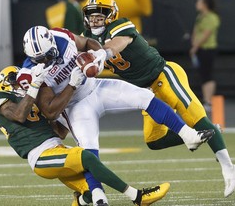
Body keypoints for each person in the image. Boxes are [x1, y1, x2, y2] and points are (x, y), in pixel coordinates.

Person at [20, 25, 214, 205]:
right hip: (75, 106)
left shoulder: (61, 37)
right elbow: (51, 111)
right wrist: (71, 84)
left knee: (145, 96)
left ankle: (188, 135)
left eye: (48, 55)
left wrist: (98, 55)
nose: (46, 61)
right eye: (41, 59)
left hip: (96, 86)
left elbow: (87, 42)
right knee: (87, 149)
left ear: (52, 43)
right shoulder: (31, 72)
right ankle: (98, 196)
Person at [81, 0, 235, 198]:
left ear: (111, 15)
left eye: (100, 15)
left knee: (196, 116)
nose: (95, 19)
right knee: (154, 140)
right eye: (91, 15)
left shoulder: (120, 25)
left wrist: (103, 52)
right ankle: (205, 132)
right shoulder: (87, 38)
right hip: (144, 92)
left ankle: (229, 167)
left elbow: (119, 42)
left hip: (163, 75)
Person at [0, 65, 171, 206]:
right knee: (86, 156)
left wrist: (69, 108)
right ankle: (138, 197)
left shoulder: (32, 101)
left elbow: (59, 131)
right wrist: (35, 85)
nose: (19, 81)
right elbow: (19, 115)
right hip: (41, 156)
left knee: (92, 189)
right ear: (4, 83)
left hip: (56, 148)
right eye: (14, 78)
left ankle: (80, 202)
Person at [190, 0, 220, 113]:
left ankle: (208, 101)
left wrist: (196, 46)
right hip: (199, 50)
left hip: (208, 49)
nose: (197, 3)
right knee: (203, 74)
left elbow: (206, 34)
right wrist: (194, 44)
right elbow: (195, 31)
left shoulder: (212, 17)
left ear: (205, 4)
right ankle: (205, 99)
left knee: (208, 74)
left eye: (199, 2)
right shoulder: (200, 17)